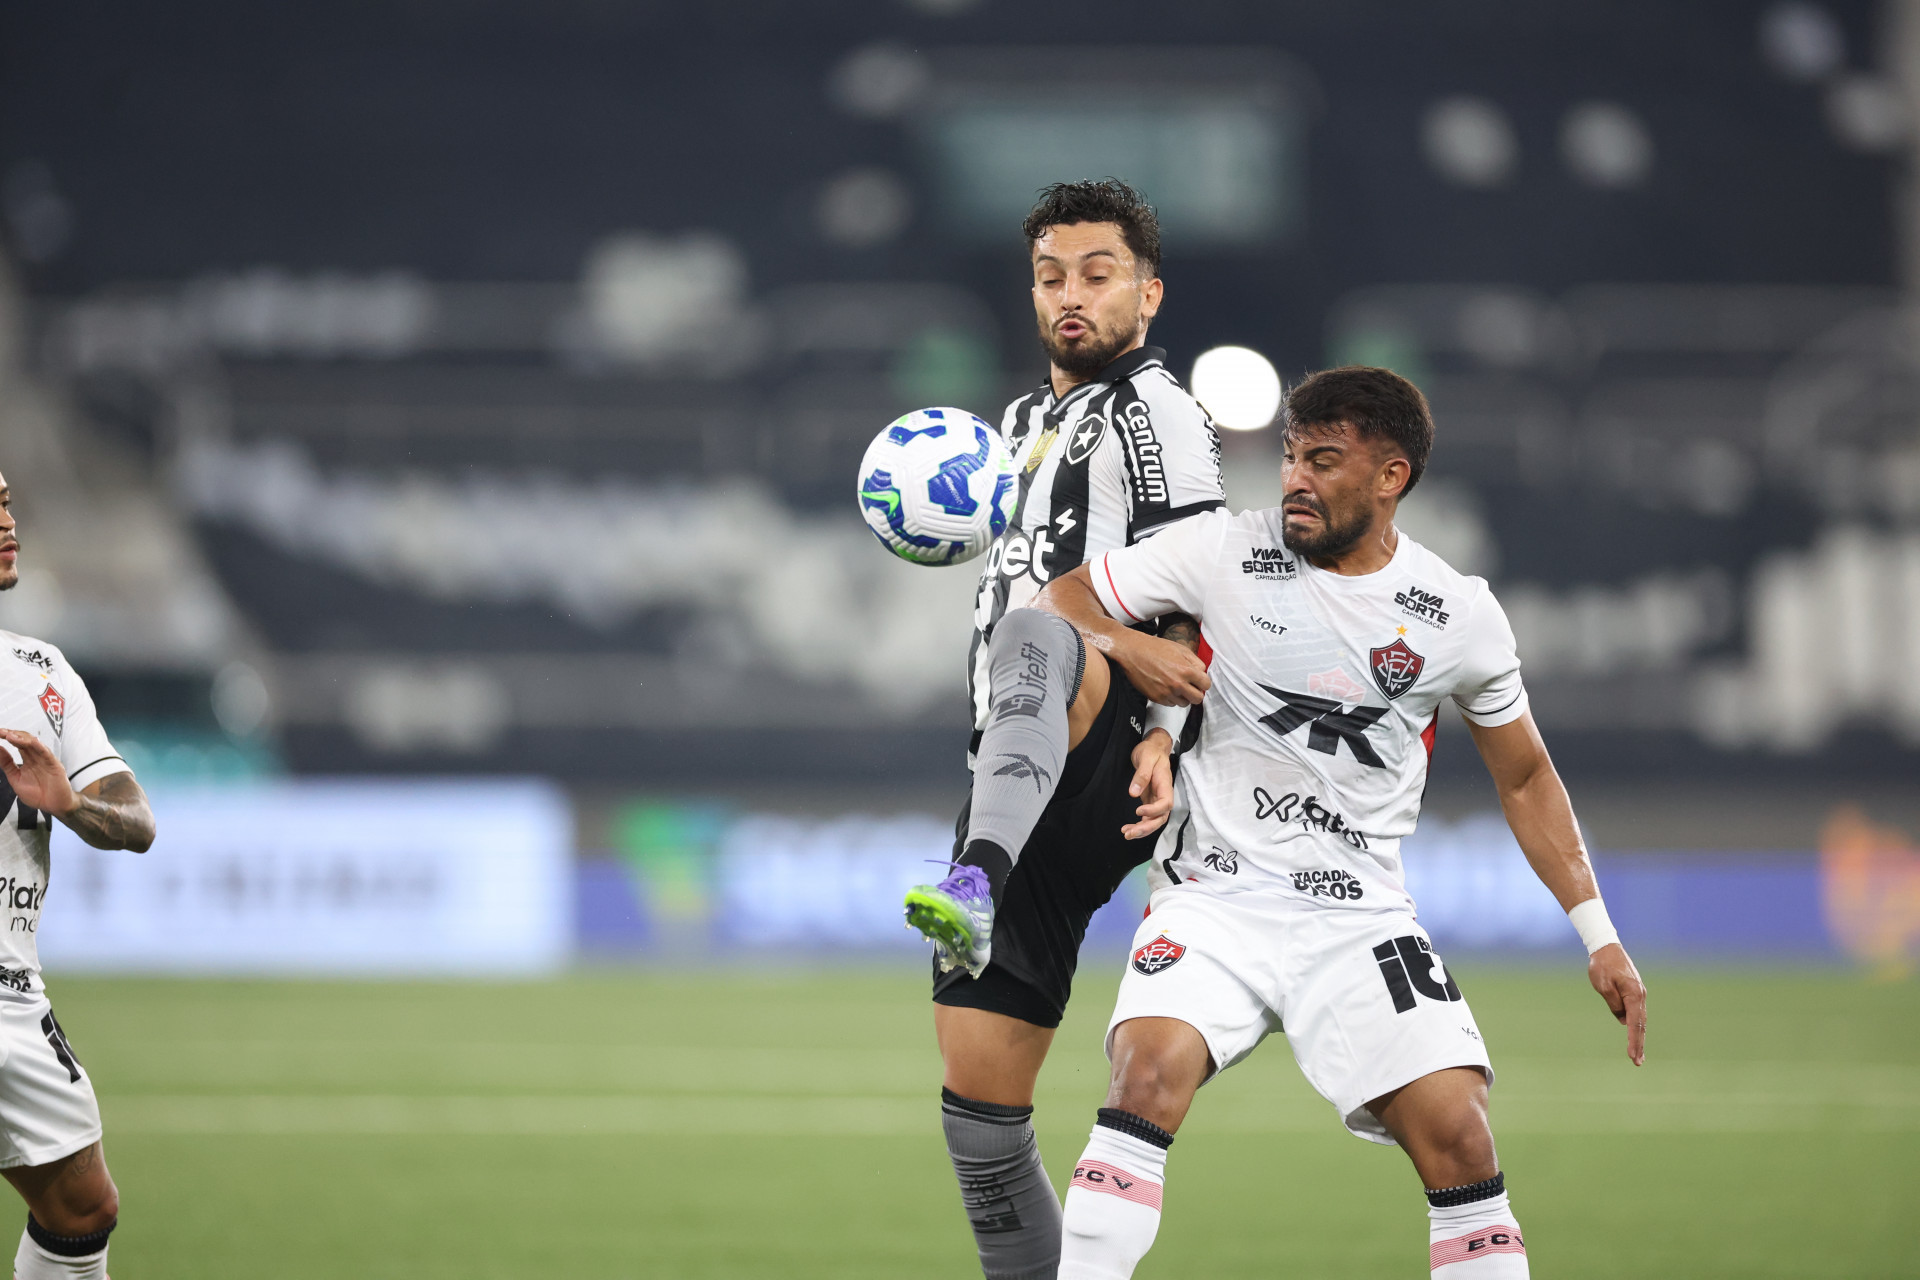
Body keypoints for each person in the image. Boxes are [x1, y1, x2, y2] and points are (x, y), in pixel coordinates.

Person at [1033, 366, 1649, 1280]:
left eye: (1323, 461)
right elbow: (1064, 599)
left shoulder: (1457, 614)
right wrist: (1137, 649)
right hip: (1215, 899)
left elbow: (1524, 777)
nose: (1294, 480)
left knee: (1461, 1136)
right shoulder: (1223, 551)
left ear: (1390, 477)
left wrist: (1598, 934)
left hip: (1358, 917)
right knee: (1144, 1077)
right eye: (1289, 457)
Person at [899, 179, 1225, 1279]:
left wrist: (1167, 738)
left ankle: (976, 881)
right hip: (1017, 761)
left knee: (1040, 636)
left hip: (1107, 750)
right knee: (982, 1123)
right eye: (1051, 276)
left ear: (1149, 291)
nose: (1071, 296)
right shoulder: (1022, 424)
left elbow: (1201, 590)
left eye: (1098, 273)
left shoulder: (1156, 412)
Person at [0, 468, 156, 1280]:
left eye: (5, 502)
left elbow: (136, 822)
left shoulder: (41, 674)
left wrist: (68, 805)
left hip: (11, 993)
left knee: (83, 1207)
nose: (8, 520)